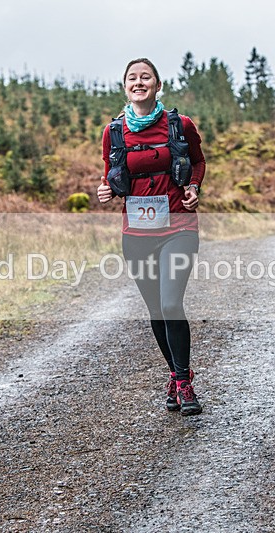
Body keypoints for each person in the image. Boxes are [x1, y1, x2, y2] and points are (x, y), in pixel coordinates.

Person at [97, 58, 206, 416]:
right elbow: (111, 174)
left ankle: (183, 382)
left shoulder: (179, 124)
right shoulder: (114, 132)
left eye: (146, 77)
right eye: (132, 78)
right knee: (157, 310)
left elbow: (198, 162)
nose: (139, 82)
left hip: (179, 228)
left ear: (158, 85)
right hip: (137, 234)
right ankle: (178, 374)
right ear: (125, 86)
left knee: (172, 304)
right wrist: (105, 190)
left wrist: (193, 186)